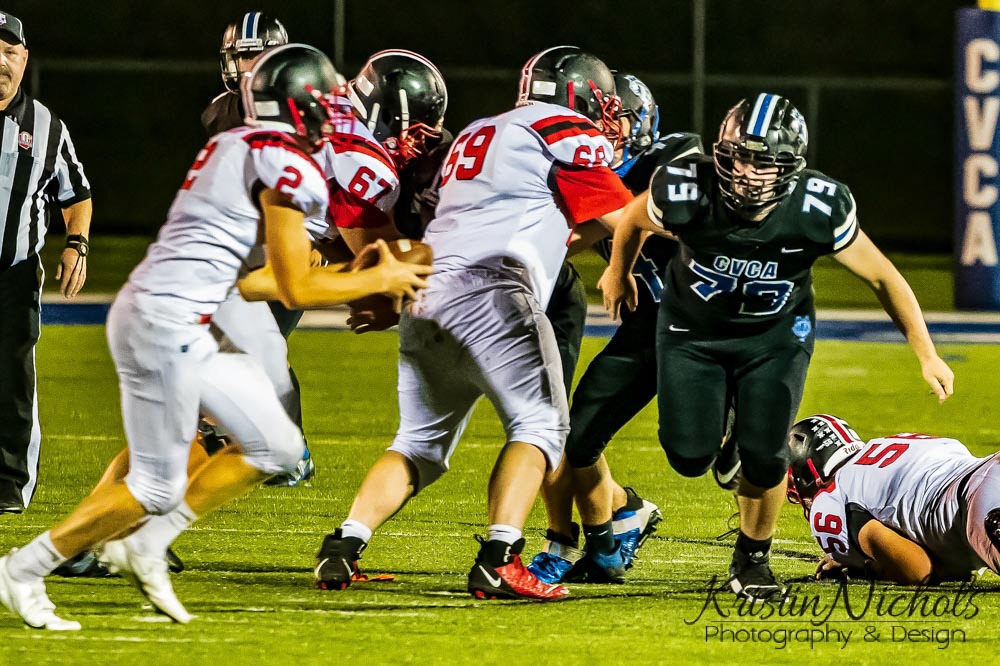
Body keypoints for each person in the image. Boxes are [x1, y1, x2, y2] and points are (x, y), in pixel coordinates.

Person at [0, 44, 431, 630]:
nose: (337, 113)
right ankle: (35, 565)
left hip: (171, 306)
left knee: (266, 448)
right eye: (326, 102)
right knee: (183, 473)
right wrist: (381, 277)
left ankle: (133, 548)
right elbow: (290, 286)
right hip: (177, 317)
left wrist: (346, 270)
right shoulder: (288, 163)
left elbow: (262, 277)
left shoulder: (236, 145)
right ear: (302, 106)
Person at [601, 93, 955, 600]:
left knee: (767, 456)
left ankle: (752, 559)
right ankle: (728, 427)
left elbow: (883, 276)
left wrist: (926, 351)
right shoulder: (686, 185)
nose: (746, 173)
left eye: (761, 162)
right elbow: (636, 217)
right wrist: (618, 271)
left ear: (790, 166)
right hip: (693, 333)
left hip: (776, 339)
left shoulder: (819, 205)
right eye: (737, 158)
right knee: (688, 455)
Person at [314, 46, 634, 600]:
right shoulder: (558, 128)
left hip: (427, 291)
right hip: (495, 288)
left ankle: (343, 545)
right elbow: (624, 216)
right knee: (540, 428)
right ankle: (498, 559)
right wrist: (688, 217)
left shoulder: (477, 132)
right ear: (580, 97)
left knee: (418, 444)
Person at [528, 72, 703, 584]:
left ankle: (757, 553)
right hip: (648, 326)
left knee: (720, 455)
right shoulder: (588, 174)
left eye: (616, 121)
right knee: (576, 435)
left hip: (708, 332)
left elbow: (646, 211)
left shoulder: (673, 159)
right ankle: (607, 543)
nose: (604, 133)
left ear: (642, 121)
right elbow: (566, 238)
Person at [0, 11, 93, 514]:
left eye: (10, 52)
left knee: (14, 378)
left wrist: (77, 244)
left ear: (25, 59)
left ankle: (10, 483)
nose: (1, 61)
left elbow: (76, 193)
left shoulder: (46, 126)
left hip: (13, 272)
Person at [787, 415, 1000, 583]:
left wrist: (869, 567)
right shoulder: (889, 443)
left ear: (807, 474)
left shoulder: (834, 497)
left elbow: (918, 570)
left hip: (976, 506)